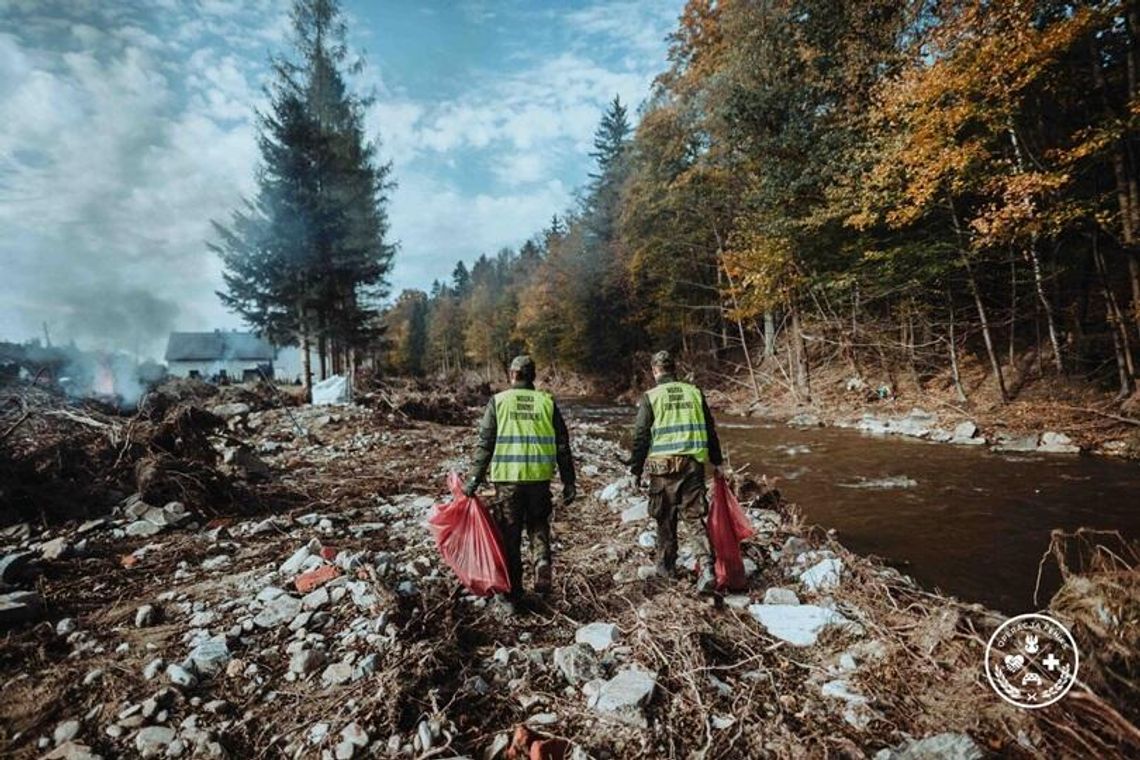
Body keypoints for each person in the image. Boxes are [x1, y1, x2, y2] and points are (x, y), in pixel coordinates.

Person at [465, 355, 575, 610]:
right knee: (538, 523)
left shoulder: (499, 402)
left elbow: (485, 445)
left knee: (510, 536)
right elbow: (562, 445)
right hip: (539, 478)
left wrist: (473, 481)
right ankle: (541, 560)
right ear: (533, 376)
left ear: (512, 375)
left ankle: (513, 594)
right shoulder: (546, 402)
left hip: (508, 481)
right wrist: (569, 481)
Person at [628, 350, 724, 594]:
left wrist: (635, 470)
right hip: (693, 465)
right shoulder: (694, 392)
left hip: (664, 469)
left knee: (665, 518)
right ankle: (707, 568)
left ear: (655, 370)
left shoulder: (651, 396)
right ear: (674, 368)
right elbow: (710, 429)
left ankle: (666, 570)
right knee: (694, 518)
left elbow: (640, 436)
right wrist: (717, 461)